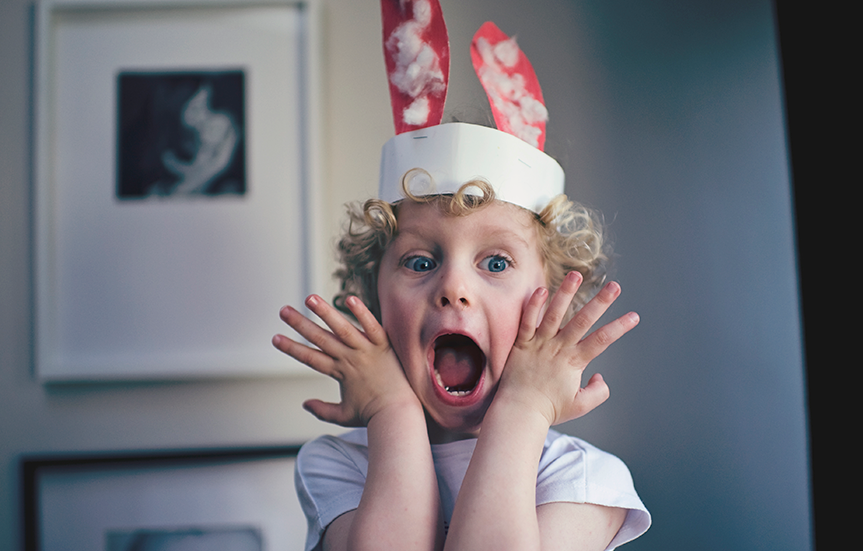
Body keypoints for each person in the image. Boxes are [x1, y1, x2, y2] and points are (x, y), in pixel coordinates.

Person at [272, 4, 650, 550]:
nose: (453, 287)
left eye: (496, 263)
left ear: (549, 308)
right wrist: (392, 411)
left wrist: (523, 408)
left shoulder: (584, 481)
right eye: (420, 262)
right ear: (374, 300)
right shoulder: (338, 464)